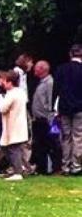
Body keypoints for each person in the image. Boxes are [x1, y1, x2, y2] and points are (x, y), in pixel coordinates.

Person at [54, 44, 82, 175]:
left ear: (71, 54)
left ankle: (65, 165)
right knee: (78, 136)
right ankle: (76, 165)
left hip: (64, 107)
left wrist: (55, 108)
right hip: (79, 108)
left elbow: (56, 90)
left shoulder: (61, 69)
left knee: (66, 137)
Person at [30, 60, 61, 174]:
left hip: (45, 119)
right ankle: (41, 168)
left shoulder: (49, 83)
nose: (34, 70)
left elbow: (50, 101)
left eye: (37, 68)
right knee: (39, 145)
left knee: (51, 144)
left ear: (43, 69)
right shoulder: (41, 82)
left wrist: (50, 118)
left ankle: (56, 167)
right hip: (38, 119)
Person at [0, 70, 29, 181]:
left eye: (5, 82)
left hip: (13, 124)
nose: (3, 84)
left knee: (13, 148)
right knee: (8, 147)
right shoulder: (21, 92)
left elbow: (2, 108)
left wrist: (0, 98)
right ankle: (23, 168)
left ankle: (18, 172)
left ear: (10, 82)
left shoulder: (12, 94)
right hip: (18, 124)